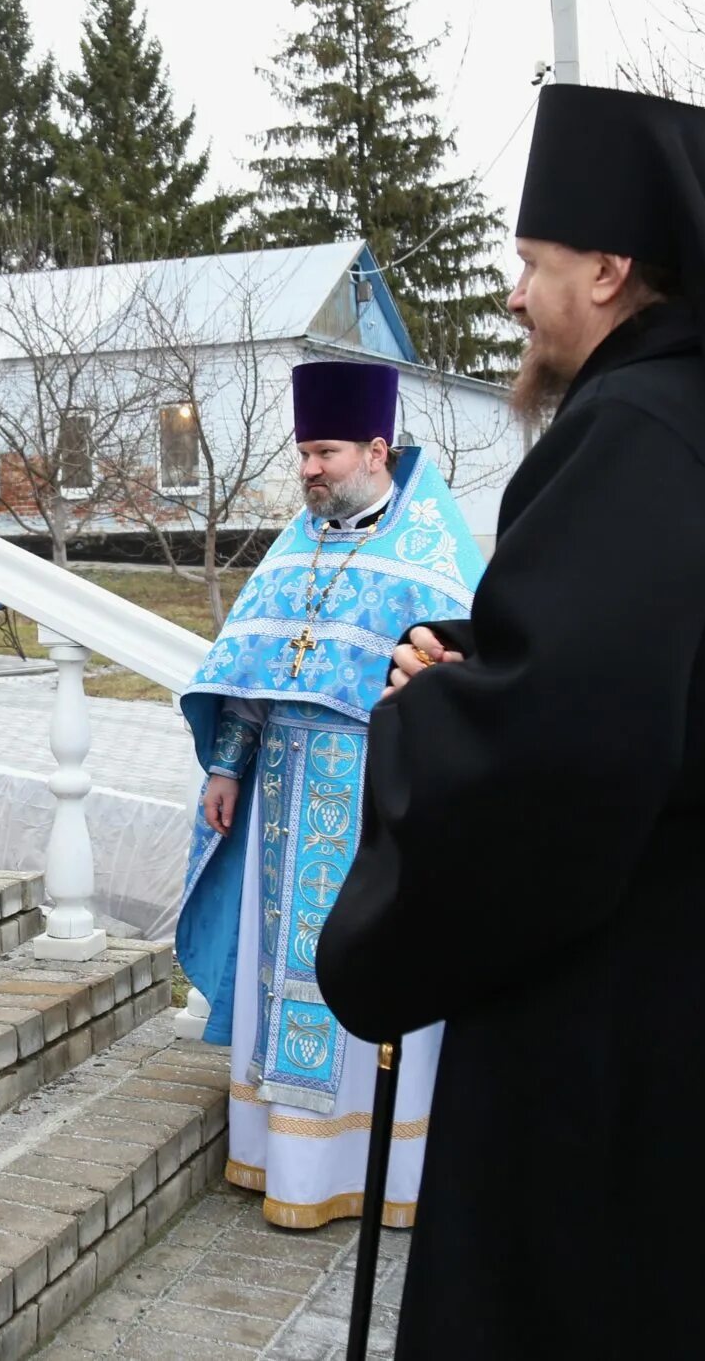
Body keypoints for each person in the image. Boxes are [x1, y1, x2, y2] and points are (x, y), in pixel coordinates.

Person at [319, 85, 705, 1360]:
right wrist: (495, 663)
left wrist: (428, 714)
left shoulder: (636, 428)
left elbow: (564, 756)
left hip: (625, 1017)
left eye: (533, 265)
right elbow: (652, 677)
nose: (516, 296)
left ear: (608, 269)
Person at [172, 359, 482, 1231]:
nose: (309, 468)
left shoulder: (434, 550)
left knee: (361, 961)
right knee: (286, 970)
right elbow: (248, 678)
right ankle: (282, 1157)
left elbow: (468, 679)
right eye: (305, 451)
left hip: (377, 798)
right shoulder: (296, 541)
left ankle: (368, 1167)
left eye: (327, 452)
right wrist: (228, 764)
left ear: (376, 449)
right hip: (281, 791)